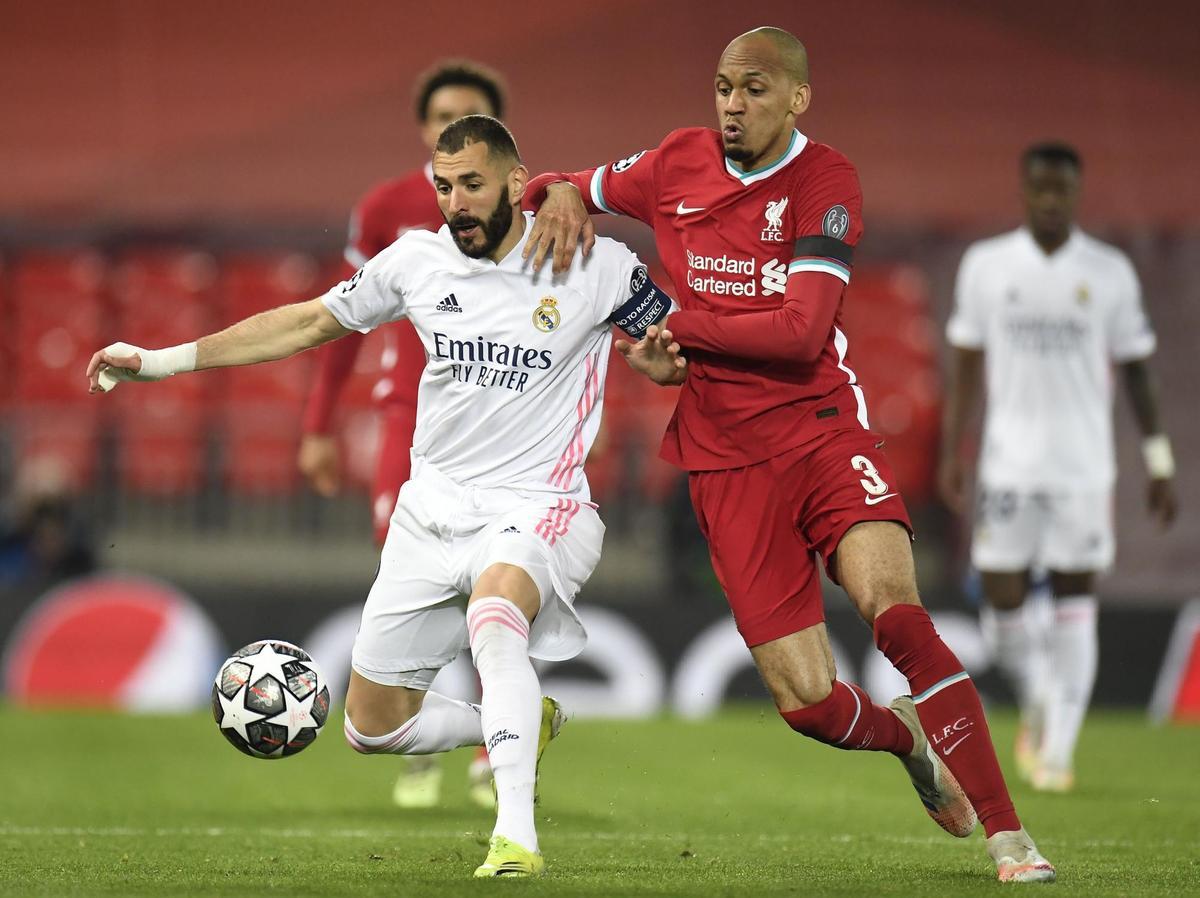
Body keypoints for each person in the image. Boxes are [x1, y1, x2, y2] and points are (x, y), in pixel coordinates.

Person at [521, 26, 1055, 883]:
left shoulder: (825, 180)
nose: (733, 104)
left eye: (755, 88)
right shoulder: (674, 162)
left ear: (797, 98)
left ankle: (1009, 835)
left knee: (899, 616)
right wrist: (555, 193)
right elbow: (569, 182)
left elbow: (802, 332)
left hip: (820, 431)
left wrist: (676, 329)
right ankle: (910, 741)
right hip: (726, 461)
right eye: (725, 87)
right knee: (807, 704)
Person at [86, 115, 680, 878]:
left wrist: (670, 367)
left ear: (513, 178)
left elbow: (679, 349)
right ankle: (519, 720)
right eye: (443, 186)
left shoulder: (595, 264)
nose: (456, 201)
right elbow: (305, 323)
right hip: (430, 511)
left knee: (496, 618)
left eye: (471, 183)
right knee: (371, 729)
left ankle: (516, 839)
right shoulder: (416, 262)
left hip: (540, 503)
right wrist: (160, 361)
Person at [297, 60, 507, 810]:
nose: (452, 124)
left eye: (470, 113)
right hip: (406, 420)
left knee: (489, 580)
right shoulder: (387, 207)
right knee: (415, 580)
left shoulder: (532, 204)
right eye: (442, 113)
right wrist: (318, 424)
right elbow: (342, 321)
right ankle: (415, 732)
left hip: (497, 422)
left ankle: (491, 749)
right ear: (423, 127)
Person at [939, 142, 1177, 793]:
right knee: (1001, 605)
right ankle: (1039, 697)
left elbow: (1138, 374)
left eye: (1061, 189)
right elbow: (965, 367)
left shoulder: (1109, 273)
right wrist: (952, 452)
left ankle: (1058, 752)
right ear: (1024, 190)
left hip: (1082, 469)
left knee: (1075, 600)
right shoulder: (987, 266)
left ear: (1076, 193)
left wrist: (1159, 460)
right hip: (1007, 466)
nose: (1049, 199)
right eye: (1039, 188)